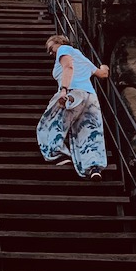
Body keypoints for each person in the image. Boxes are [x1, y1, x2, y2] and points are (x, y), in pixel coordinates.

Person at [36, 34, 109, 179]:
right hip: (90, 98)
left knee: (50, 123)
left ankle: (58, 154)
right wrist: (104, 66)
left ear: (59, 42)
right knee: (90, 131)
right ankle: (93, 167)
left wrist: (64, 89)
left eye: (51, 48)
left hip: (72, 93)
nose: (50, 53)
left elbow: (68, 66)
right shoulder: (82, 58)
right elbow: (103, 74)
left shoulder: (64, 49)